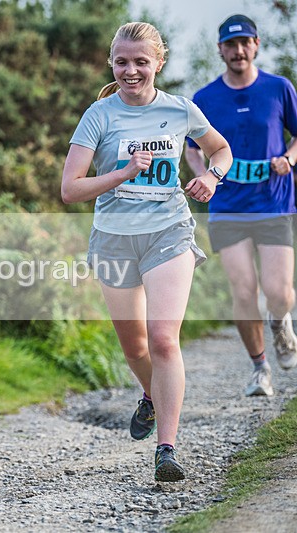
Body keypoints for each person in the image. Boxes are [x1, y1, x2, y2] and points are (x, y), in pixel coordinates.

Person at [61, 22, 232, 482]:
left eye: (141, 61)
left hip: (168, 232)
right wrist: (122, 172)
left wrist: (212, 176)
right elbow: (70, 189)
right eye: (121, 62)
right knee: (135, 346)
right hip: (114, 237)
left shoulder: (180, 110)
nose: (131, 70)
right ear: (111, 64)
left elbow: (220, 150)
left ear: (159, 63)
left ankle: (166, 450)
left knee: (162, 339)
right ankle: (151, 395)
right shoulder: (99, 115)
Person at [185, 14, 297, 398]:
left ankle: (281, 324)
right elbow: (192, 149)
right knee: (244, 289)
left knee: (279, 292)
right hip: (228, 206)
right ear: (220, 50)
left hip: (273, 202)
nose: (238, 50)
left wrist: (289, 159)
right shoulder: (205, 98)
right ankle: (260, 368)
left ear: (256, 45)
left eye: (244, 42)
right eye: (230, 45)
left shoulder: (278, 88)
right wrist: (205, 177)